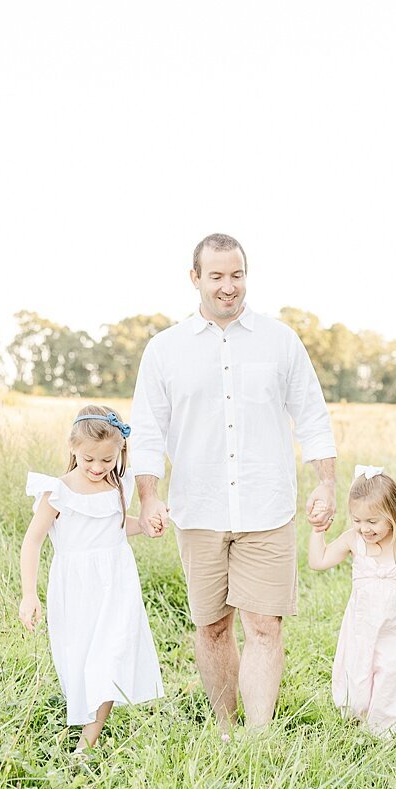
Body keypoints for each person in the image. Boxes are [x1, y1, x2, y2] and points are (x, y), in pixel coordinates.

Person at [130, 233, 337, 735]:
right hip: (198, 509)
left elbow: (312, 416)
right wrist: (150, 495)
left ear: (247, 274)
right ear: (195, 277)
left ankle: (257, 740)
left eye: (237, 274)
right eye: (217, 276)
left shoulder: (280, 339)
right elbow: (148, 430)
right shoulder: (165, 350)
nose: (228, 286)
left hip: (267, 507)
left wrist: (326, 483)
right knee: (213, 625)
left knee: (265, 626)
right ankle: (225, 729)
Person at [18, 405, 164, 752]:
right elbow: (32, 542)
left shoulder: (117, 485)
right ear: (73, 449)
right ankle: (84, 725)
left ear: (120, 453)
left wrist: (142, 525)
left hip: (117, 583)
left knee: (110, 657)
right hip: (76, 589)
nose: (98, 468)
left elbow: (113, 526)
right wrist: (29, 594)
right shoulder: (58, 491)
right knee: (81, 662)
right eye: (89, 460)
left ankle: (87, 745)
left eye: (107, 460)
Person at [307, 465, 396, 737]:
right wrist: (318, 530)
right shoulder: (354, 541)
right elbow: (318, 561)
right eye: (357, 520)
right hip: (362, 628)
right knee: (356, 674)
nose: (364, 529)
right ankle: (354, 722)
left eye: (372, 522)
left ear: (394, 514)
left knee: (391, 677)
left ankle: (382, 734)